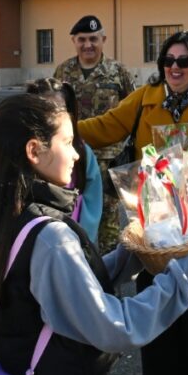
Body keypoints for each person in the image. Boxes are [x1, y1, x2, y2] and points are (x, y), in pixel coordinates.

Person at [0, 93, 188, 375]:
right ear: (34, 151)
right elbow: (114, 326)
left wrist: (130, 255)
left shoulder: (3, 214)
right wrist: (183, 276)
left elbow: (64, 289)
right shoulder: (51, 238)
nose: (77, 155)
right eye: (68, 143)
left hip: (33, 372)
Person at [78, 29, 188, 375]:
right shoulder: (146, 98)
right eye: (169, 60)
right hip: (154, 217)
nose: (174, 67)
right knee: (154, 289)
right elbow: (106, 126)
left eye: (183, 61)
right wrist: (62, 131)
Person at [54, 14, 136, 254]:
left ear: (103, 40)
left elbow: (133, 110)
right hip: (73, 158)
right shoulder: (63, 71)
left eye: (93, 39)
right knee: (72, 212)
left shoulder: (118, 71)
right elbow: (52, 111)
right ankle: (76, 264)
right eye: (82, 39)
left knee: (109, 222)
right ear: (74, 41)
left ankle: (108, 273)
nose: (87, 45)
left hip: (109, 160)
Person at [25, 77, 104, 242]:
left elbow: (93, 202)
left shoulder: (82, 152)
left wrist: (81, 238)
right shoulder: (24, 152)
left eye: (61, 110)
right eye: (46, 110)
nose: (55, 117)